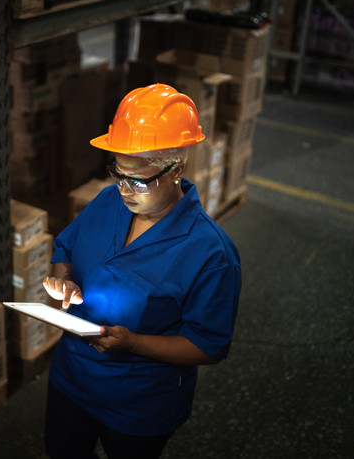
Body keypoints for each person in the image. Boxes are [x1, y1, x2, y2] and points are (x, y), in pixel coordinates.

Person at [42, 83, 241, 459]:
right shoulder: (107, 202)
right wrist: (64, 279)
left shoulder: (210, 253)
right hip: (72, 378)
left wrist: (133, 343)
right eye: (117, 173)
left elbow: (208, 345)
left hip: (139, 404)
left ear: (176, 169)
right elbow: (66, 246)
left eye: (138, 180)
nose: (124, 190)